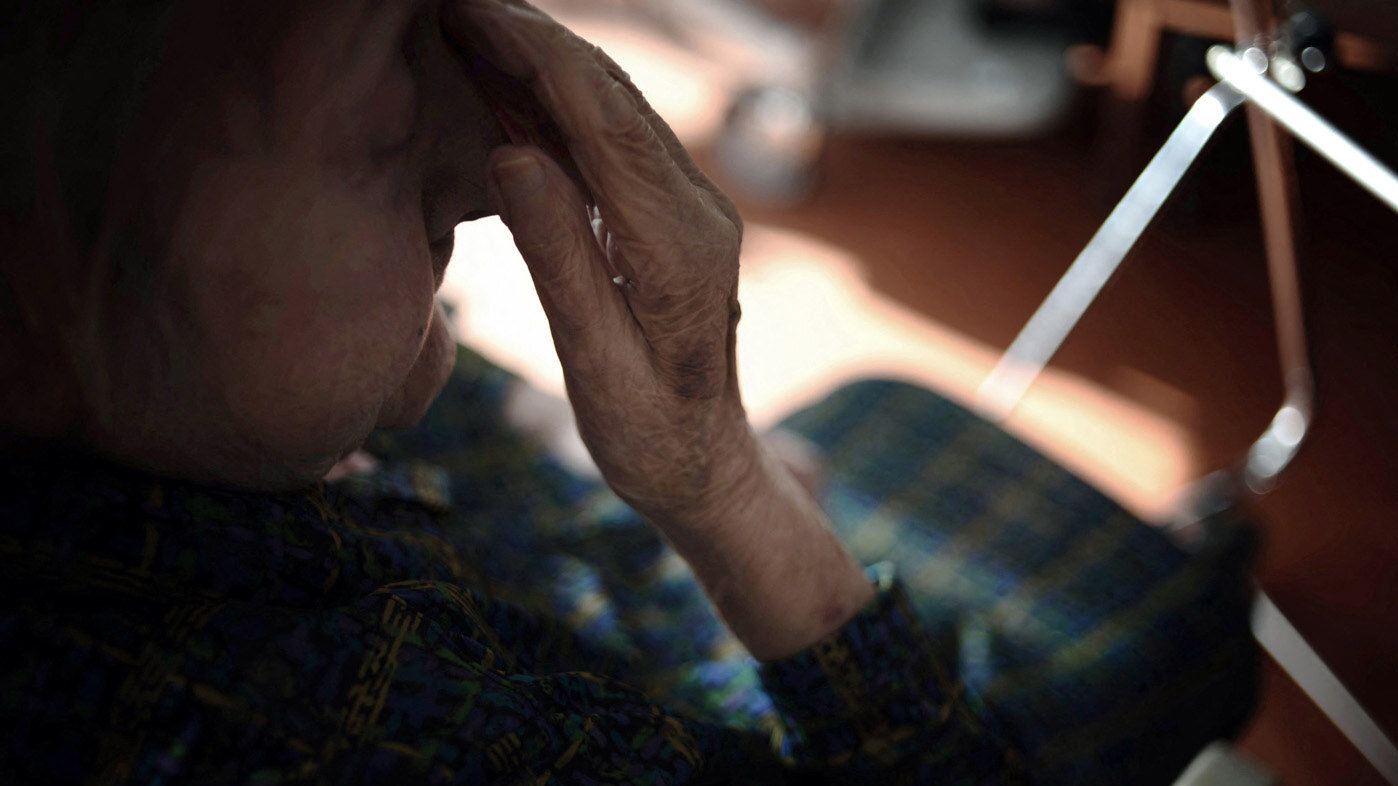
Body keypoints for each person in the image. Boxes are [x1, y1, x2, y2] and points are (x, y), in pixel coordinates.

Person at [0, 1, 1258, 782]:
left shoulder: (187, 408)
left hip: (589, 573)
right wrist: (731, 496)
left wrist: (606, 448)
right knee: (1146, 615)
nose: (492, 163)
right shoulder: (359, 734)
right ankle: (1199, 576)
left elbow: (451, 404)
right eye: (380, 120)